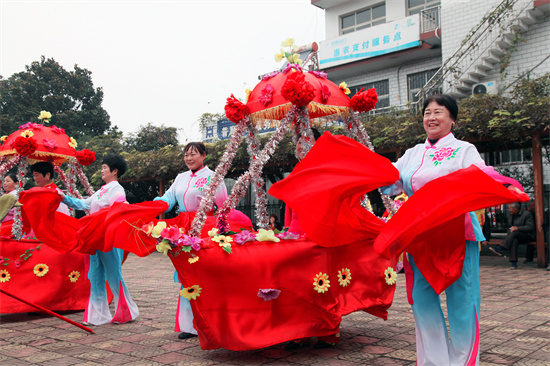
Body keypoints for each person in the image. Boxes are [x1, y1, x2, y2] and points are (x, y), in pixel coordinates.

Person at [380, 94, 525, 365]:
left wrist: (504, 185)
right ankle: (434, 361)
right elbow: (390, 181)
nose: (431, 117)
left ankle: (463, 362)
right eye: (427, 113)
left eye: (439, 112)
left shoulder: (464, 150)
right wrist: (364, 171)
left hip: (459, 231)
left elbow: (482, 175)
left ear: (452, 118)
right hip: (420, 234)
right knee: (421, 299)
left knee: (462, 299)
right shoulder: (412, 153)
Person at [154, 142, 229, 340]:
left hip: (206, 228)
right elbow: (168, 199)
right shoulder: (180, 178)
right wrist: (151, 206)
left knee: (205, 273)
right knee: (185, 274)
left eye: (193, 154)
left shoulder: (214, 177)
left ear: (203, 156)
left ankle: (209, 322)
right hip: (183, 229)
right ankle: (189, 325)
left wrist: (223, 232)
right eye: (186, 154)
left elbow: (223, 206)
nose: (189, 158)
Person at [59, 155, 139, 325]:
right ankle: (98, 316)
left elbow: (119, 204)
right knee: (95, 276)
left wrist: (121, 206)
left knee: (113, 275)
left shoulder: (116, 189)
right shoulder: (102, 190)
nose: (101, 170)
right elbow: (83, 204)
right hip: (94, 238)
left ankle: (126, 312)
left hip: (108, 238)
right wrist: (63, 197)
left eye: (104, 167)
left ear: (114, 171)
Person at [283, 128, 341, 350]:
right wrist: (287, 230)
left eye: (307, 139)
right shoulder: (296, 170)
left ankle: (328, 331)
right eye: (298, 141)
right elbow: (289, 206)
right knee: (296, 284)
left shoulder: (326, 169)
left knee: (321, 283)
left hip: (319, 230)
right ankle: (300, 332)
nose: (300, 145)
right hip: (296, 231)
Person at [493, 202, 535, 268]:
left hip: (527, 235)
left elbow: (530, 227)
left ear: (515, 209)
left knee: (515, 232)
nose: (509, 210)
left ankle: (501, 247)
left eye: (510, 208)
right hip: (514, 236)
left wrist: (518, 228)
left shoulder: (527, 214)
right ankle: (514, 262)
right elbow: (509, 227)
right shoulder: (510, 215)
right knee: (514, 240)